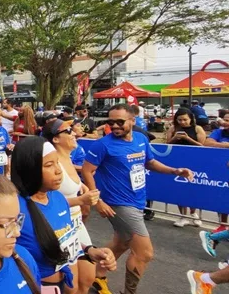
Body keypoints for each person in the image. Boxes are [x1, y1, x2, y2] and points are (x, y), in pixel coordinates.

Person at [81, 104, 194, 294]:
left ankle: (94, 276)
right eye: (110, 122)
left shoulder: (141, 138)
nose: (114, 126)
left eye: (120, 122)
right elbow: (87, 170)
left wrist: (174, 171)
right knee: (144, 252)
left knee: (122, 242)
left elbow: (149, 162)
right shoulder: (103, 144)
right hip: (118, 204)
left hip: (137, 199)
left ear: (133, 120)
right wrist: (98, 200)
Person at [11, 136, 116, 292]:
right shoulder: (13, 208)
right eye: (49, 165)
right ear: (29, 168)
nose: (59, 171)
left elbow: (66, 239)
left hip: (64, 284)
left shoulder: (58, 197)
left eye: (57, 162)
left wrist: (89, 251)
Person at [42, 121, 101, 294]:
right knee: (70, 285)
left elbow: (69, 189)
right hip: (59, 226)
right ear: (56, 139)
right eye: (68, 131)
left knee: (88, 277)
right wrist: (81, 200)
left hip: (76, 223)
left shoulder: (68, 157)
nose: (74, 133)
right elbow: (45, 202)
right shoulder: (53, 164)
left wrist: (79, 188)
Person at [165, 107, 206, 228]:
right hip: (177, 161)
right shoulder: (173, 128)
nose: (182, 122)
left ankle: (193, 213)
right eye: (179, 120)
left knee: (192, 188)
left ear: (191, 119)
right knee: (179, 188)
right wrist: (175, 138)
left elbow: (202, 145)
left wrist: (187, 138)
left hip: (194, 161)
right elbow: (167, 145)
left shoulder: (198, 128)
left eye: (185, 120)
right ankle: (183, 215)